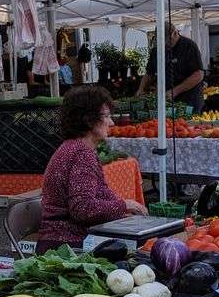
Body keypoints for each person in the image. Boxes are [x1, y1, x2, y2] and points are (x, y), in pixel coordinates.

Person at [37, 85, 147, 253]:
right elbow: (82, 209)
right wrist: (124, 205)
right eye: (107, 116)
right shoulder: (81, 153)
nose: (111, 122)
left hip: (63, 242)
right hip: (65, 248)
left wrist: (123, 210)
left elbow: (101, 192)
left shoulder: (76, 148)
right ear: (89, 119)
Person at [137, 23, 205, 112]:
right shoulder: (156, 50)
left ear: (175, 33)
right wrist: (141, 89)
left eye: (168, 41)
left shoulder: (189, 46)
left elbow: (199, 74)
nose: (165, 44)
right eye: (161, 41)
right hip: (165, 101)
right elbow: (149, 73)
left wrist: (175, 91)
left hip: (188, 101)